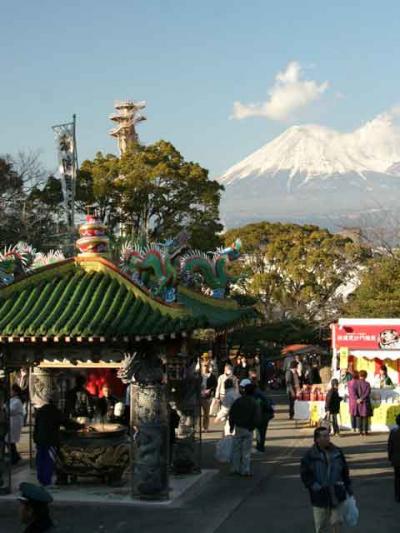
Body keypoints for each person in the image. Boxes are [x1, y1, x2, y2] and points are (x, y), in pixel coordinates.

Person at [301, 426, 353, 533]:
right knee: (321, 526)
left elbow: (344, 471)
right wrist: (315, 486)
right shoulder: (309, 455)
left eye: (328, 435)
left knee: (337, 523)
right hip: (320, 497)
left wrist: (347, 487)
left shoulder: (337, 452)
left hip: (336, 494)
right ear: (317, 439)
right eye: (324, 436)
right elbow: (305, 474)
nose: (327, 438)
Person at [34, 393, 82, 486]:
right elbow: (66, 422)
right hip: (50, 440)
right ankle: (46, 481)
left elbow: (36, 426)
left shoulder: (40, 411)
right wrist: (80, 426)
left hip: (40, 439)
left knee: (41, 459)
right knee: (49, 460)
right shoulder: (55, 411)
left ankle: (41, 479)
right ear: (55, 402)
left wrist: (35, 438)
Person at [229, 379, 261, 477]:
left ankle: (235, 468)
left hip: (238, 427)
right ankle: (245, 470)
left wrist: (231, 426)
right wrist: (254, 426)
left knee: (236, 449)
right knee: (246, 451)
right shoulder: (254, 403)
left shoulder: (238, 401)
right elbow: (257, 417)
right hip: (248, 428)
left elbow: (232, 414)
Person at [249, 369, 274, 452]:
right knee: (261, 431)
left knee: (259, 431)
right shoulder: (259, 387)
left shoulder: (254, 390)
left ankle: (260, 447)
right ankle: (260, 446)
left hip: (261, 413)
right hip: (265, 413)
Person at [8, 383, 24, 464]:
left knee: (11, 441)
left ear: (15, 392)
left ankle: (15, 457)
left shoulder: (17, 401)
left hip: (14, 422)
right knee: (10, 441)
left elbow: (11, 410)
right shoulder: (12, 400)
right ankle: (15, 456)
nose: (10, 392)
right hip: (12, 421)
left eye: (12, 391)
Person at [200, 362, 217, 432]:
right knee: (197, 414)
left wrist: (210, 390)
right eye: (204, 366)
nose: (205, 367)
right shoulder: (199, 375)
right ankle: (197, 427)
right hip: (199, 395)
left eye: (207, 366)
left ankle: (205, 427)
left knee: (206, 413)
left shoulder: (212, 376)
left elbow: (215, 385)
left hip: (207, 396)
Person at [388, 413, 400, 502]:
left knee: (397, 478)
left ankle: (397, 495)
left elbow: (390, 446)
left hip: (396, 459)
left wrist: (390, 457)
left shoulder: (393, 432)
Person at [357, 370, 372, 436]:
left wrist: (358, 399)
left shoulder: (357, 383)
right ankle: (365, 432)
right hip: (365, 402)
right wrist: (362, 398)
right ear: (365, 376)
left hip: (359, 402)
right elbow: (368, 393)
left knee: (360, 417)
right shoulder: (367, 384)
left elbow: (354, 392)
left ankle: (360, 432)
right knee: (365, 418)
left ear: (359, 375)